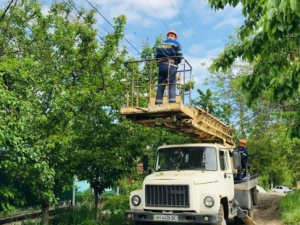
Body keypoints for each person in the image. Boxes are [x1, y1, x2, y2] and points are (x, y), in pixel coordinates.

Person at [155, 30, 183, 105]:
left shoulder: (160, 44)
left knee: (161, 85)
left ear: (167, 36)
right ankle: (172, 102)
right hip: (171, 65)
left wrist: (159, 63)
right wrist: (177, 62)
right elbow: (179, 56)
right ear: (175, 37)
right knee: (172, 84)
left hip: (161, 66)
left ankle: (158, 103)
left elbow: (156, 56)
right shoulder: (176, 43)